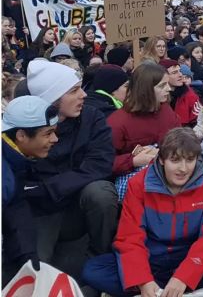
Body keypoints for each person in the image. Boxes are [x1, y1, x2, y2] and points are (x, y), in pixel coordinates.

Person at [82, 127, 203, 297]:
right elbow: (130, 236)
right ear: (161, 159)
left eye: (190, 160)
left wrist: (184, 276)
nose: (183, 168)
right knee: (92, 270)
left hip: (189, 253)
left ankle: (165, 289)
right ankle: (159, 290)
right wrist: (143, 280)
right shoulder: (138, 184)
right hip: (152, 256)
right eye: (175, 160)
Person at [23, 60, 119, 271]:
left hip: (79, 202)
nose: (83, 94)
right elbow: (26, 178)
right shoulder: (26, 127)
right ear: (54, 99)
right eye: (74, 91)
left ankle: (101, 256)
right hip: (42, 211)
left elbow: (101, 163)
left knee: (101, 192)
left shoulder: (92, 117)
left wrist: (54, 187)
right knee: (36, 271)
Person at [2, 96, 60, 284]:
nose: (55, 139)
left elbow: (16, 212)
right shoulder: (5, 176)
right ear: (21, 135)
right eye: (48, 133)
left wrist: (30, 262)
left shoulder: (14, 159)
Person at [107, 63, 181, 181]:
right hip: (136, 179)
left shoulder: (166, 110)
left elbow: (180, 139)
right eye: (162, 85)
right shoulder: (117, 122)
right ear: (145, 90)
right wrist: (133, 161)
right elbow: (104, 162)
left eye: (167, 83)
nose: (168, 88)